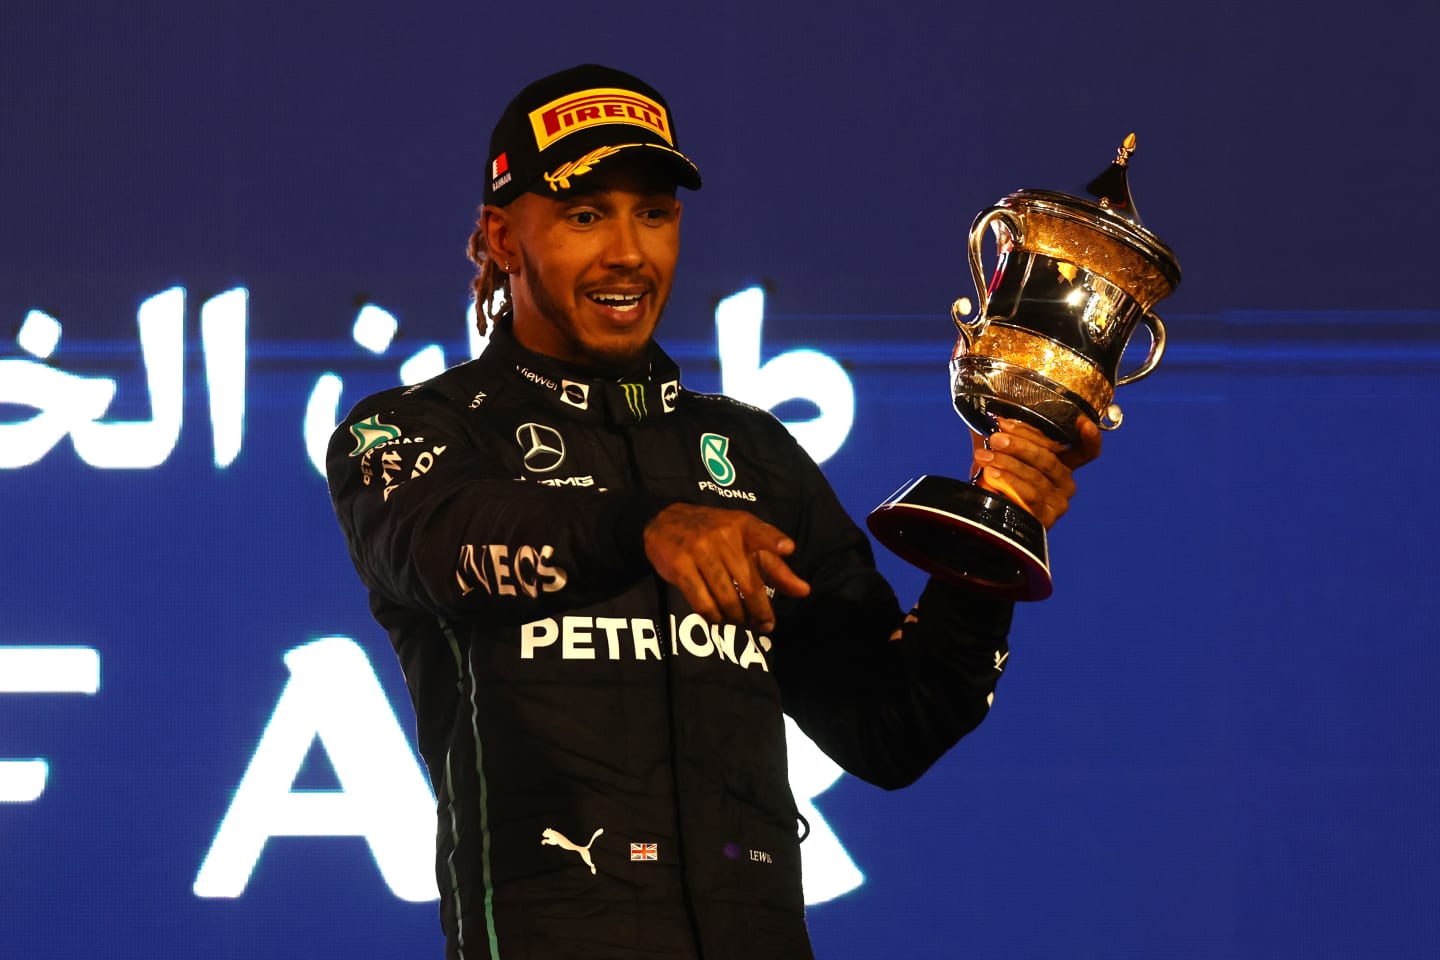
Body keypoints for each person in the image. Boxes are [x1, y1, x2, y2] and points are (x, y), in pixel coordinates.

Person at [326, 64, 1100, 960]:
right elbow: (440, 549)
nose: (628, 252)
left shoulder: (754, 455)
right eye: (586, 215)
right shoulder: (412, 432)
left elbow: (892, 729)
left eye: (654, 213)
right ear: (503, 236)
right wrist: (646, 529)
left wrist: (989, 539)